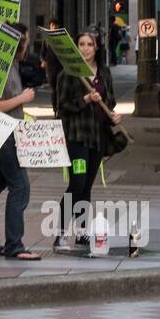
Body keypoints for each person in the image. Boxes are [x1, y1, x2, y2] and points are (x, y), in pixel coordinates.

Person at [55, 30, 122, 249]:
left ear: (96, 48)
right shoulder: (69, 73)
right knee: (77, 183)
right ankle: (61, 232)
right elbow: (61, 107)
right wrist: (85, 98)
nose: (85, 48)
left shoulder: (104, 72)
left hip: (98, 138)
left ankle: (82, 232)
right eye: (81, 44)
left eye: (89, 44)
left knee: (87, 186)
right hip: (77, 137)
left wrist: (113, 115)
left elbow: (109, 100)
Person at [0, 23, 40, 260]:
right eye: (23, 41)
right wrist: (22, 98)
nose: (26, 46)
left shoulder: (12, 64)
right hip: (3, 136)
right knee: (20, 187)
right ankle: (14, 244)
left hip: (11, 132)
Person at [40, 19, 65, 116]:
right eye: (52, 25)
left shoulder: (62, 38)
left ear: (58, 27)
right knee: (54, 90)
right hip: (50, 69)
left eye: (55, 25)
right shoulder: (46, 39)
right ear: (49, 26)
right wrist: (43, 61)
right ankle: (55, 110)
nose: (54, 27)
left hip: (60, 68)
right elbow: (42, 54)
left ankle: (60, 109)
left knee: (60, 89)